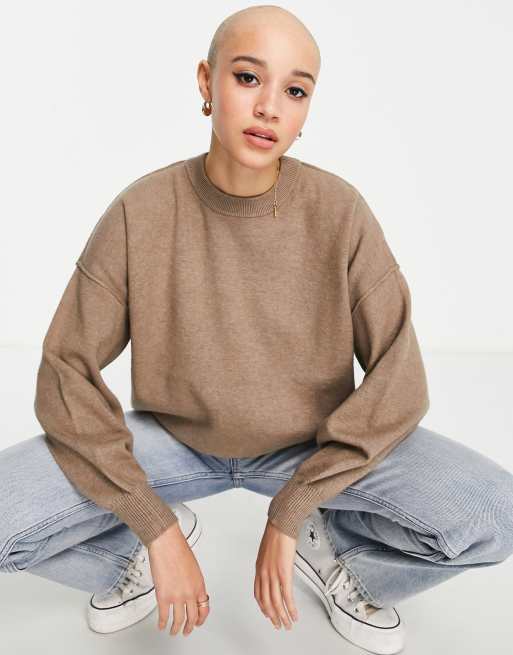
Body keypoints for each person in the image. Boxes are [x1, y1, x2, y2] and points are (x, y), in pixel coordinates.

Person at [1, 5, 513, 654]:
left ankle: (342, 565)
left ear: (306, 111)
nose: (269, 107)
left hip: (312, 448)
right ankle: (128, 561)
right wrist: (152, 523)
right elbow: (65, 369)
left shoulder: (340, 212)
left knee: (497, 514)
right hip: (172, 444)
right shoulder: (141, 210)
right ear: (205, 82)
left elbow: (399, 377)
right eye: (248, 78)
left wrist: (295, 507)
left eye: (295, 91)